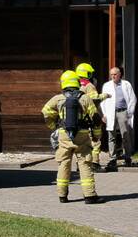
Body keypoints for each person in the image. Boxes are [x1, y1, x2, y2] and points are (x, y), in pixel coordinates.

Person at [41, 70, 102, 204]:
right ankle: (90, 196)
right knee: (85, 164)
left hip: (64, 135)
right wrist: (96, 136)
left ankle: (62, 195)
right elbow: (96, 119)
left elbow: (45, 111)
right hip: (82, 135)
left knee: (64, 164)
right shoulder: (85, 98)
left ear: (63, 83)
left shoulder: (58, 98)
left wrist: (53, 125)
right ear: (77, 82)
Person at [100, 66, 136, 167]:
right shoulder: (106, 85)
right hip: (110, 112)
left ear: (119, 74)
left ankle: (127, 157)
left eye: (115, 74)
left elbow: (132, 98)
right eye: (111, 74)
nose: (113, 76)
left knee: (125, 134)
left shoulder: (126, 84)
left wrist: (129, 112)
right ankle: (112, 158)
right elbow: (103, 101)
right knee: (111, 136)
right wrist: (104, 114)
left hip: (123, 111)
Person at [75, 63, 108, 166]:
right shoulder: (89, 85)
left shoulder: (75, 85)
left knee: (81, 142)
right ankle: (95, 163)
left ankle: (80, 164)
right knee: (95, 140)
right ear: (86, 73)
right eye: (90, 73)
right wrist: (106, 95)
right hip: (90, 116)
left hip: (80, 117)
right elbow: (95, 99)